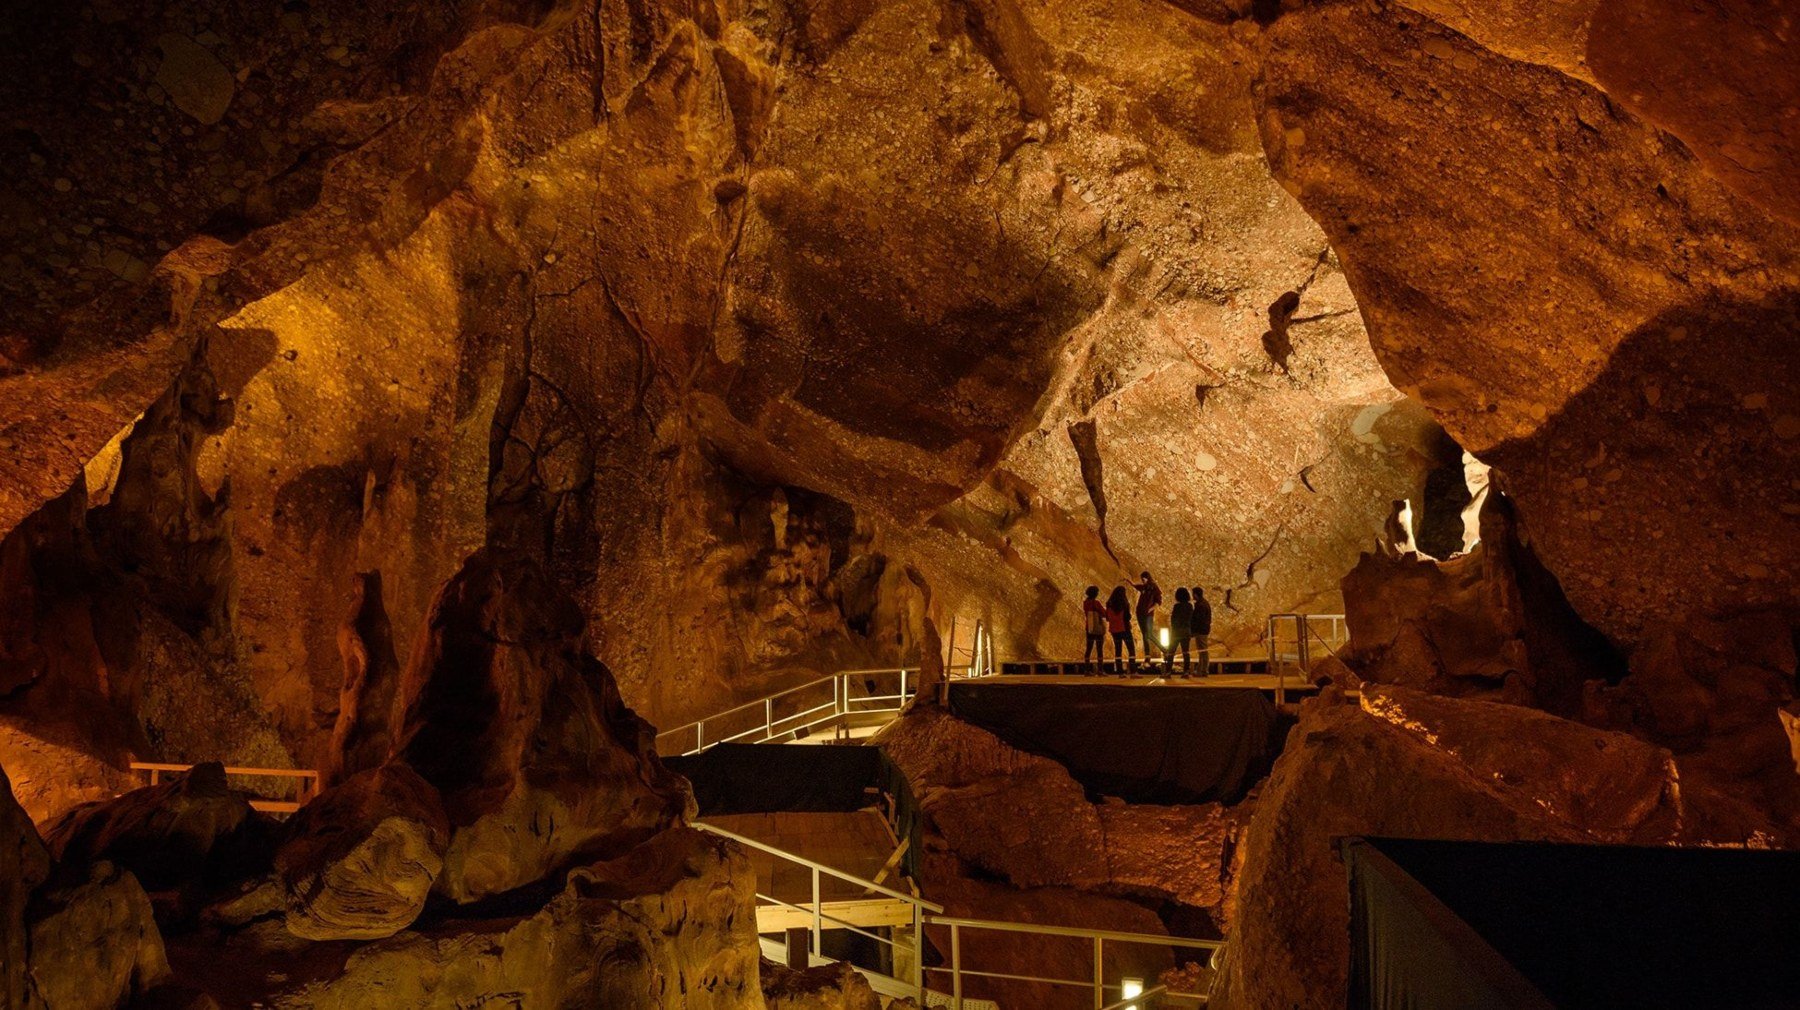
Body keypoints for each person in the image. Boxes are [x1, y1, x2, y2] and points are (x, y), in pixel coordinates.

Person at [1128, 571, 1163, 668]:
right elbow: (1136, 586)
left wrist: (1151, 609)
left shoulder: (1154, 588)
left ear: (1147, 578)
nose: (1142, 581)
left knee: (1149, 634)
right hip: (1140, 613)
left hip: (1148, 615)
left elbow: (1158, 601)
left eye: (1143, 579)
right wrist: (1128, 581)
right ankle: (1147, 656)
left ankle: (1164, 649)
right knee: (1144, 635)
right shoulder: (1143, 587)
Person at [1104, 585, 1136, 675]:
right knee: (1131, 650)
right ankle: (1133, 671)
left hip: (1114, 630)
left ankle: (1120, 672)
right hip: (1124, 628)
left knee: (1118, 650)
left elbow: (1107, 618)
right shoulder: (1124, 603)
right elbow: (1128, 617)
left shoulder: (1109, 604)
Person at [1081, 585, 1107, 673]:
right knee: (1099, 649)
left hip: (1089, 628)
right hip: (1098, 628)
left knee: (1088, 648)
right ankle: (1100, 670)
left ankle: (1087, 669)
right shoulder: (1096, 603)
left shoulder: (1085, 603)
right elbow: (1103, 613)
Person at [1169, 587, 1194, 677]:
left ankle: (1168, 672)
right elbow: (1192, 619)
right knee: (1186, 652)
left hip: (1176, 632)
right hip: (1186, 631)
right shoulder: (1190, 606)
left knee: (1171, 652)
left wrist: (1174, 628)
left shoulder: (1177, 606)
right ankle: (1186, 671)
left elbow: (1173, 619)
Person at [1191, 587, 1213, 677]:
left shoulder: (1201, 605)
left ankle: (1203, 670)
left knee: (1203, 651)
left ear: (1196, 594)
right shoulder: (1203, 603)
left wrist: (1193, 630)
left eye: (1193, 594)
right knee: (1202, 651)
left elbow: (1199, 620)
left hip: (1201, 631)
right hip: (1203, 630)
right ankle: (1202, 670)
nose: (1192, 596)